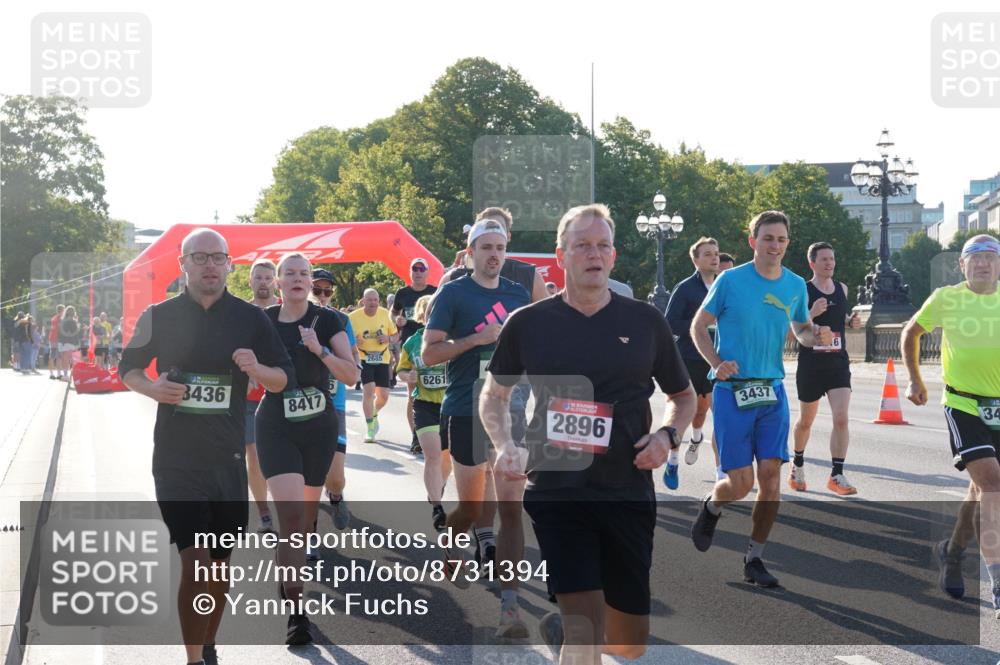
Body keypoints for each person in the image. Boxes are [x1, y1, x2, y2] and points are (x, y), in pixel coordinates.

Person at [481, 203, 696, 661]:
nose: (593, 254)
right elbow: (493, 396)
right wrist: (505, 446)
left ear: (613, 256)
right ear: (561, 256)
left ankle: (563, 630)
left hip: (627, 489)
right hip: (559, 490)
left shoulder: (645, 321)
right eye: (582, 246)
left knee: (628, 644)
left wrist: (666, 437)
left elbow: (684, 398)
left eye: (602, 246)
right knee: (587, 630)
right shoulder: (529, 323)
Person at [119, 228, 293, 665]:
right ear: (184, 264)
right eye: (200, 258)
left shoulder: (252, 320)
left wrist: (258, 369)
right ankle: (194, 659)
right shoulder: (159, 315)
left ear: (229, 264)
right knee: (195, 562)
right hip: (177, 460)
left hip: (227, 460)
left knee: (217, 567)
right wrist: (153, 388)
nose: (210, 265)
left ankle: (208, 646)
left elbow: (282, 378)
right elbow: (128, 369)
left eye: (218, 257)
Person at [690, 210, 832, 588]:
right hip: (732, 390)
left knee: (771, 480)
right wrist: (717, 363)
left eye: (781, 240)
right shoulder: (730, 281)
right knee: (739, 484)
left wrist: (811, 336)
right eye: (768, 238)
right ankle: (713, 505)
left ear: (788, 244)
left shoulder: (795, 285)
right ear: (753, 241)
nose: (775, 245)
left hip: (771, 389)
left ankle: (755, 558)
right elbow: (698, 326)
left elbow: (800, 327)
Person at [423, 217, 531, 637]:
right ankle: (450, 545)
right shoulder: (453, 293)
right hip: (466, 409)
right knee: (470, 509)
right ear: (470, 253)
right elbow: (430, 355)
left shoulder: (518, 294)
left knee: (510, 511)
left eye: (500, 248)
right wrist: (476, 339)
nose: (493, 255)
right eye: (485, 247)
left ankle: (510, 608)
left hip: (511, 412)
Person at [255, 252, 358, 644]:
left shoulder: (328, 320)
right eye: (290, 273)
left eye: (305, 273)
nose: (298, 279)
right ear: (278, 282)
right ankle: (298, 614)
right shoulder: (262, 322)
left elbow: (351, 373)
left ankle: (288, 574)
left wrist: (321, 351)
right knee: (293, 522)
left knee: (304, 523)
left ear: (311, 281)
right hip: (275, 426)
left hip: (318, 429)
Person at [901, 233, 1000, 616]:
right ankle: (997, 584)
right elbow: (911, 332)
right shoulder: (947, 297)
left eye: (990, 257)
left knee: (980, 489)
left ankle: (953, 552)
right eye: (974, 258)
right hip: (963, 403)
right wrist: (914, 378)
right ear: (962, 266)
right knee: (993, 482)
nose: (983, 264)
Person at [790, 242, 862, 496]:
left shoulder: (841, 289)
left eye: (832, 259)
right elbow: (794, 329)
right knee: (806, 422)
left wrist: (850, 322)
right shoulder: (803, 291)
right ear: (812, 263)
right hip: (811, 364)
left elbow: (839, 318)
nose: (829, 263)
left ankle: (836, 474)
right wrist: (812, 312)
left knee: (841, 418)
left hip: (838, 364)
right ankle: (797, 465)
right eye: (824, 259)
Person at [664, 237, 721, 489]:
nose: (714, 257)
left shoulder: (725, 286)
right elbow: (670, 322)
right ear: (695, 260)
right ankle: (673, 460)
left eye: (716, 253)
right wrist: (700, 326)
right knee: (683, 414)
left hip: (718, 360)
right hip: (688, 358)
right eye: (707, 254)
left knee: (713, 413)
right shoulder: (686, 288)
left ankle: (721, 471)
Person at [310, 268, 360, 530]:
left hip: (334, 405)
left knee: (336, 478)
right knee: (307, 475)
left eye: (327, 291)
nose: (322, 295)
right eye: (316, 290)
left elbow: (352, 354)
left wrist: (355, 369)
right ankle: (308, 536)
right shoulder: (292, 317)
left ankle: (337, 496)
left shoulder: (340, 319)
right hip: (301, 405)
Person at [396, 294, 452, 530]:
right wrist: (407, 376)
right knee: (433, 455)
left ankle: (436, 489)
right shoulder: (412, 343)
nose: (434, 316)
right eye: (430, 312)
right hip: (425, 404)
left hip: (452, 404)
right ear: (422, 315)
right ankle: (438, 509)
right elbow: (401, 370)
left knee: (447, 459)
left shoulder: (454, 340)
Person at [245, 258, 280, 535]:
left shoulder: (289, 312)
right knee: (255, 458)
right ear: (250, 281)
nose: (264, 282)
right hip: (251, 399)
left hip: (285, 396)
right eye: (259, 277)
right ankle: (264, 513)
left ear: (276, 281)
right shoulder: (240, 314)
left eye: (269, 277)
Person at [393, 258, 438, 454]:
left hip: (436, 343)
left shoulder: (436, 291)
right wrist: (397, 320)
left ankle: (439, 432)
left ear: (427, 272)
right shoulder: (403, 293)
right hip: (412, 346)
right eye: (415, 269)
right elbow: (393, 313)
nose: (418, 272)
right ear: (410, 272)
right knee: (413, 393)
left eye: (422, 269)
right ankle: (416, 436)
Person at [349, 289, 397, 442]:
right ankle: (370, 428)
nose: (373, 303)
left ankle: (373, 412)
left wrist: (387, 338)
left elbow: (395, 336)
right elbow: (343, 338)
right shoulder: (353, 317)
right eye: (369, 300)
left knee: (384, 395)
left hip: (382, 357)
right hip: (363, 357)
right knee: (368, 390)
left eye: (375, 300)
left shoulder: (384, 314)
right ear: (363, 301)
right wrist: (353, 342)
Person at [57, 306, 80, 381]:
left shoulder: (62, 320)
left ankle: (66, 375)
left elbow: (60, 332)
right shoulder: (72, 321)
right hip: (69, 342)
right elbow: (75, 332)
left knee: (66, 359)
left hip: (64, 342)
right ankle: (70, 375)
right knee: (69, 359)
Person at [47, 304, 64, 378]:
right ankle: (58, 374)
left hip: (53, 338)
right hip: (57, 339)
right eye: (64, 310)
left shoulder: (54, 317)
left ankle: (53, 374)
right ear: (62, 310)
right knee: (57, 356)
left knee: (53, 356)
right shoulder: (60, 318)